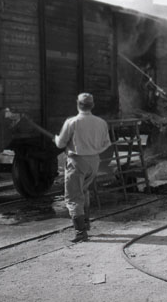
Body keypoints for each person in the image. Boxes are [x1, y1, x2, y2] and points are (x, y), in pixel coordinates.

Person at [55, 93, 111, 242]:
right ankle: (85, 224)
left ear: (78, 104)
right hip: (94, 162)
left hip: (77, 162)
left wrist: (56, 139)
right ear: (92, 105)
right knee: (84, 190)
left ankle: (80, 232)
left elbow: (60, 144)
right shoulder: (101, 122)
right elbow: (107, 143)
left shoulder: (72, 122)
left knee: (73, 196)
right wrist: (94, 150)